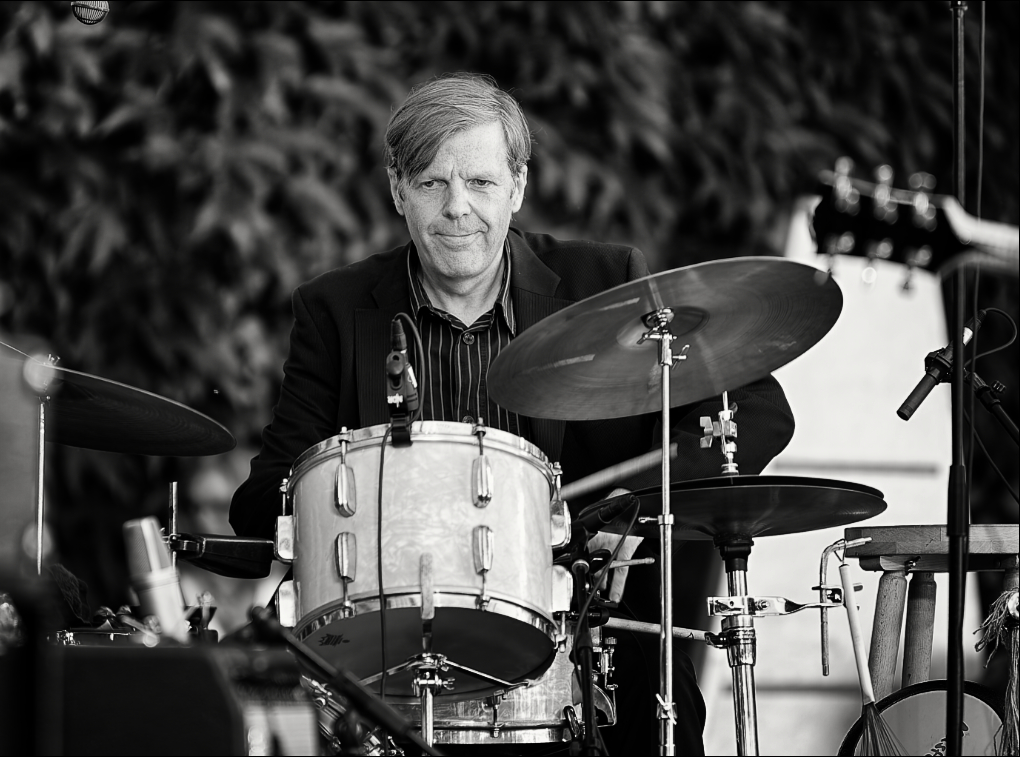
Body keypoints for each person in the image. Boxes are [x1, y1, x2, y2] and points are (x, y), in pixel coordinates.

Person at [231, 72, 795, 754]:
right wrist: (328, 503)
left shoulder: (605, 283)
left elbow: (756, 412)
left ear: (518, 186)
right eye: (432, 182)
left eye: (481, 182)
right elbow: (263, 498)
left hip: (592, 662)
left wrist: (631, 515)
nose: (457, 207)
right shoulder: (335, 310)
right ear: (397, 189)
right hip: (391, 680)